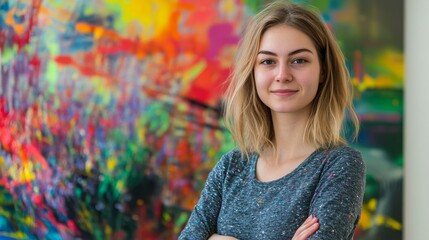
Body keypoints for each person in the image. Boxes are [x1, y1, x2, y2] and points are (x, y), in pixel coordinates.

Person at [179, 0, 365, 239]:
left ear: (323, 71)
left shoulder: (340, 166)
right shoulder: (231, 166)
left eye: (299, 60)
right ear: (253, 72)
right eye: (268, 61)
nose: (282, 75)